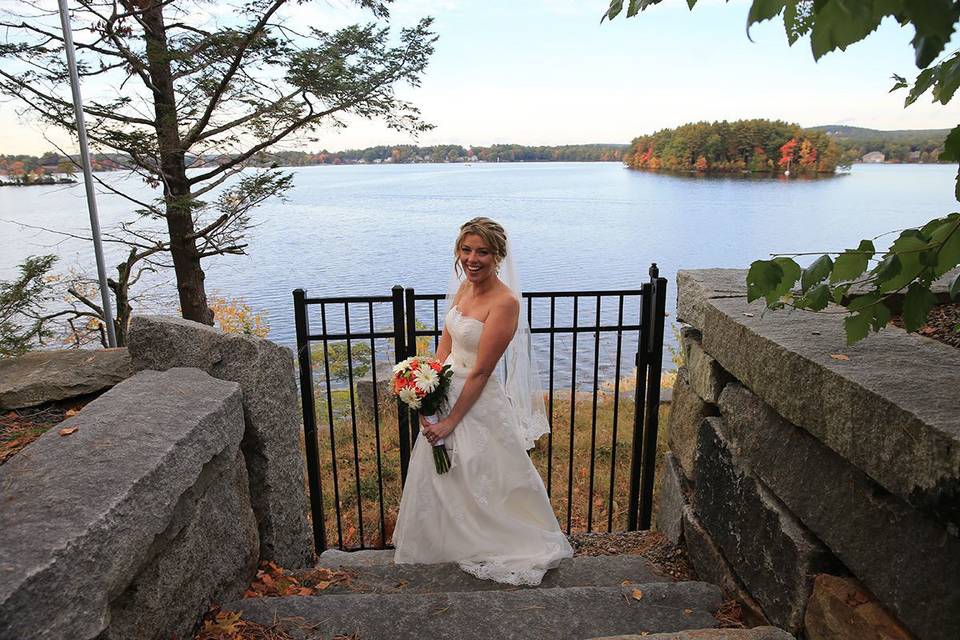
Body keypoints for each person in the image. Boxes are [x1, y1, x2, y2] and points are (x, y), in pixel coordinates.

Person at [392, 217, 573, 585]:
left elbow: (480, 372)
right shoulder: (463, 288)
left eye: (482, 252)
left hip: (476, 401)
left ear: (498, 255)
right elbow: (445, 345)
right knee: (443, 479)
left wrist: (450, 421)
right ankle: (443, 547)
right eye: (466, 250)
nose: (472, 259)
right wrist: (427, 388)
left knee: (482, 475)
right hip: (445, 392)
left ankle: (493, 540)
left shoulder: (505, 303)